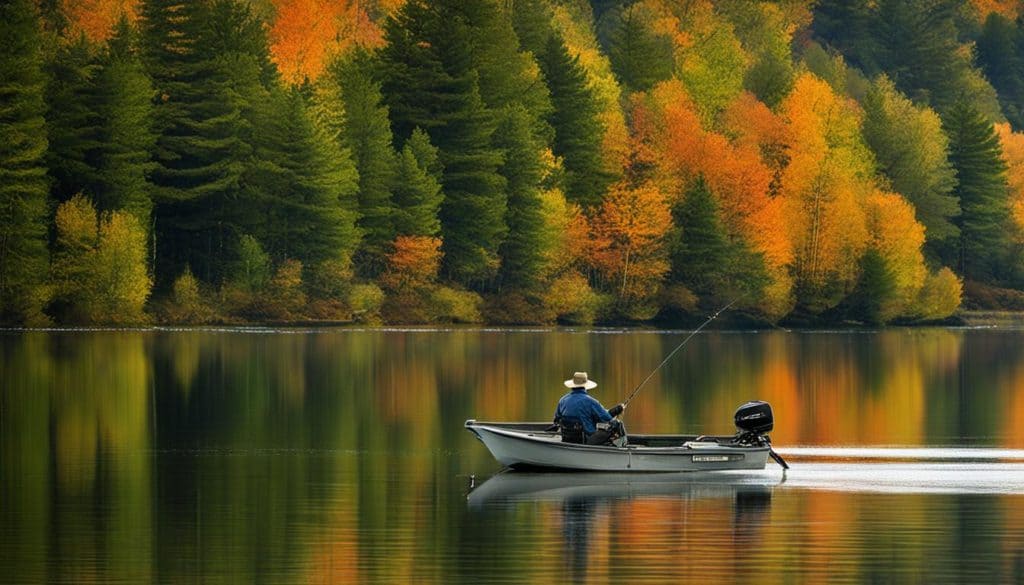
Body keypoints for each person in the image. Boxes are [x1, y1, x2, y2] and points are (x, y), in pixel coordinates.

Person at [553, 372, 626, 445]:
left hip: (567, 439)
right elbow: (606, 418)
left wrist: (616, 410)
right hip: (586, 440)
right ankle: (621, 447)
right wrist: (618, 409)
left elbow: (556, 419)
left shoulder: (562, 400)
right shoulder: (591, 402)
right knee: (616, 424)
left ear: (573, 385)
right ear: (585, 386)